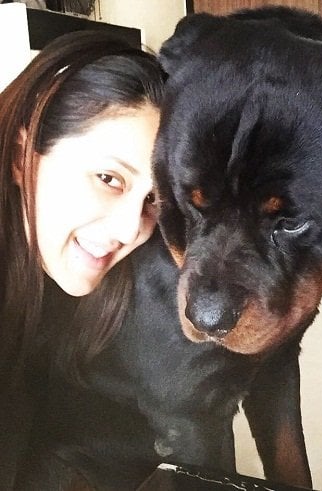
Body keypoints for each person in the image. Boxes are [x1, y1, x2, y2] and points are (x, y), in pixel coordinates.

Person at [0, 30, 166, 488]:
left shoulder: (102, 296)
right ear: (22, 155)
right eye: (109, 178)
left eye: (153, 199)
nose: (130, 229)